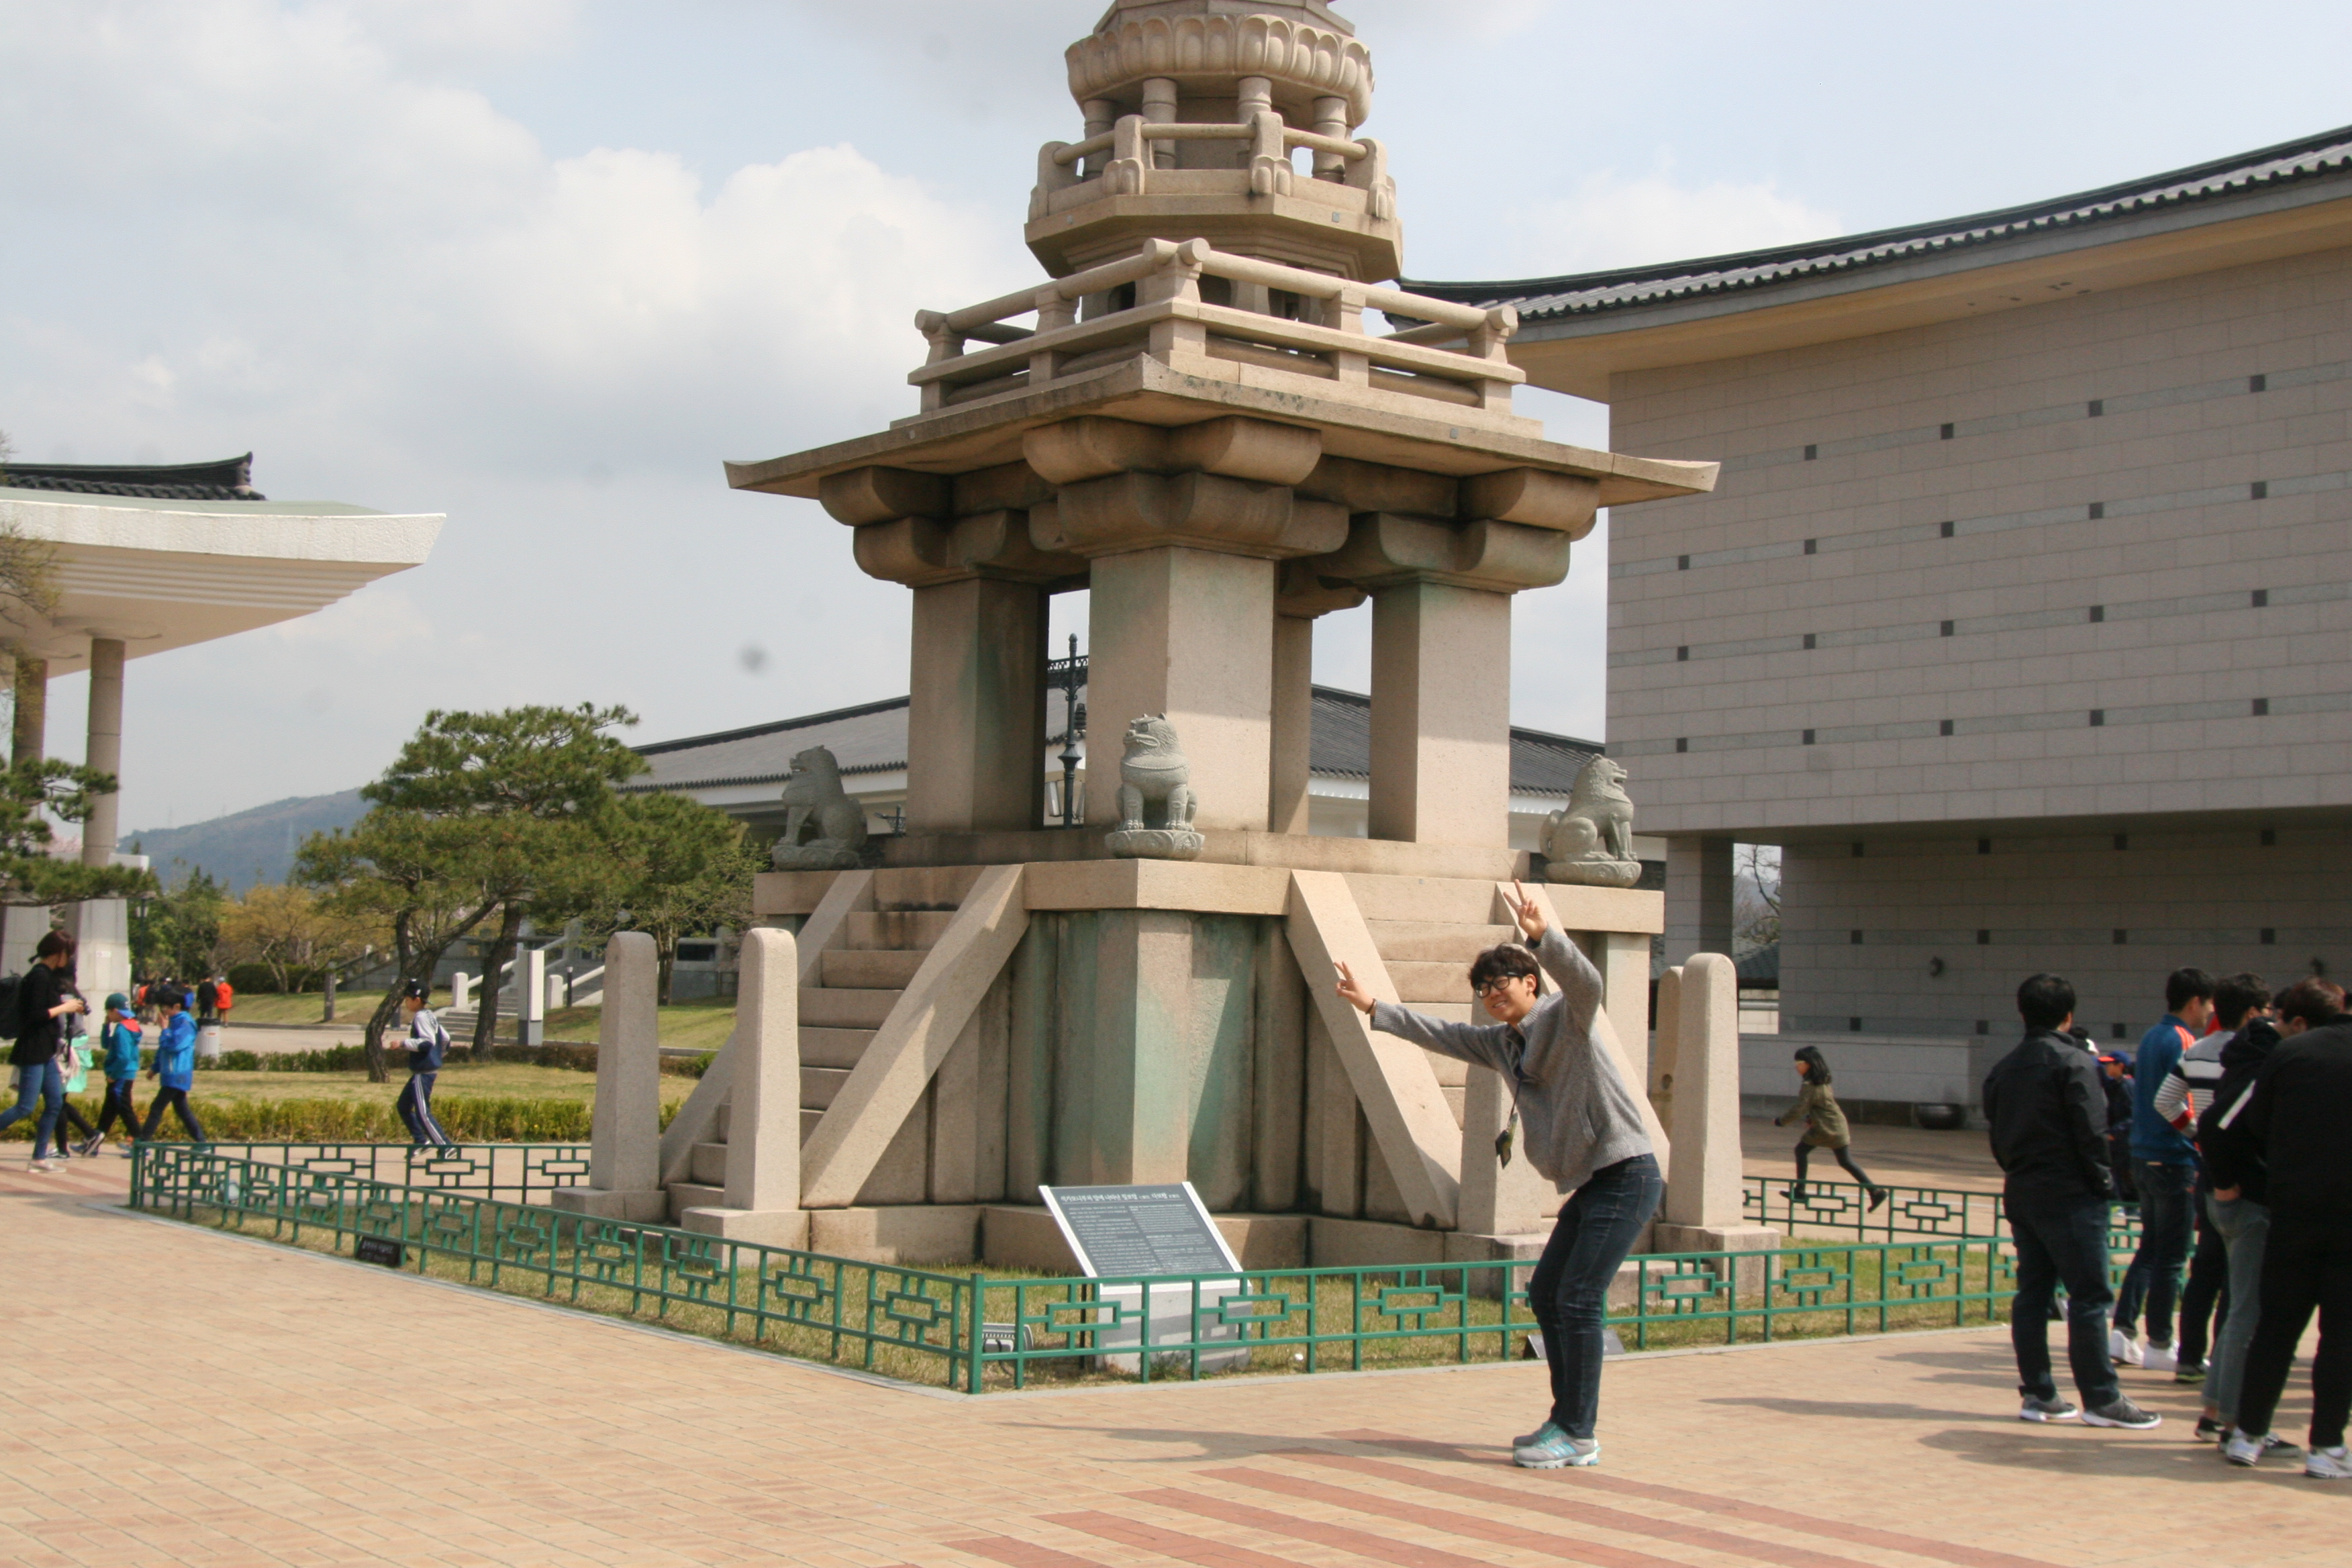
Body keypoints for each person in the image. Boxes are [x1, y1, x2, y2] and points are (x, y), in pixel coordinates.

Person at [1333, 881, 1658, 1469]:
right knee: (1545, 1292)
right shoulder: (1502, 1044)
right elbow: (1443, 1034)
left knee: (1580, 1297)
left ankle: (1578, 1433)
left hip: (1627, 1170)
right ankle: (1564, 1421)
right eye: (1482, 990)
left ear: (1530, 984)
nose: (1490, 996)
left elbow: (1588, 982)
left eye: (1499, 985)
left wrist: (1544, 938)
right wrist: (1374, 1008)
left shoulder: (1567, 1015)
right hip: (1594, 1181)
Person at [1982, 972, 2161, 1428]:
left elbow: (1997, 1138)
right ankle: (2102, 1398)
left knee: (2033, 1293)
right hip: (2071, 1193)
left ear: (2022, 1013)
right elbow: (2092, 1133)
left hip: (2023, 1188)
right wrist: (2104, 1186)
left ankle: (2039, 1393)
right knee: (2089, 1296)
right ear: (2068, 1016)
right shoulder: (2074, 1063)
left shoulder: (2003, 1069)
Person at [2212, 977, 2352, 1480]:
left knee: (2276, 1326)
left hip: (2291, 1210)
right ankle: (2327, 1447)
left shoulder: (2291, 1053)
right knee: (2340, 1338)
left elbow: (2255, 1123)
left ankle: (2247, 1435)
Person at [2158, 975, 2265, 1391]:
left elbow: (2165, 1101)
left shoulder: (2198, 1050)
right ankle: (2225, 1363)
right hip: (2245, 1172)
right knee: (2235, 1278)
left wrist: (2197, 1135)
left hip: (2209, 1168)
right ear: (2255, 1012)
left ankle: (2188, 1356)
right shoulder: (2255, 1057)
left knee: (2205, 1268)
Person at [2198, 977, 2291, 1454]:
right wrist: (2228, 1185)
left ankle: (2215, 1410)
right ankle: (2237, 1420)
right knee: (2245, 1315)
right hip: (2247, 1204)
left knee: (2238, 1308)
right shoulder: (2262, 1069)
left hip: (2236, 1201)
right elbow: (2215, 1128)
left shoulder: (2240, 1059)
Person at [2111, 967, 2216, 1371]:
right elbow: (2180, 1098)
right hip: (2172, 1156)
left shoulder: (2154, 1035)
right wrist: (2197, 1137)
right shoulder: (2184, 1040)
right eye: (2208, 1005)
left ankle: (2123, 1331)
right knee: (2171, 1256)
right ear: (2195, 1003)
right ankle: (2160, 1342)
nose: (2209, 1013)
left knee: (2151, 1248)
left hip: (2143, 1153)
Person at [0, 931, 90, 1173]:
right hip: (33, 1049)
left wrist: (72, 1007)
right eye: (68, 954)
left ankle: (39, 1158)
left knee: (54, 1103)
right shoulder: (38, 977)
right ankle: (39, 1157)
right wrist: (64, 1007)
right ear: (59, 953)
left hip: (47, 1050)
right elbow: (34, 1015)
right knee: (25, 1107)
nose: (69, 960)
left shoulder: (49, 976)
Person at [1775, 1045, 1889, 1210]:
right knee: (1845, 1161)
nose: (1796, 1066)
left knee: (1801, 1151)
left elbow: (1800, 1108)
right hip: (1836, 1126)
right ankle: (1875, 1192)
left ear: (1809, 1064)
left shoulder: (1810, 1085)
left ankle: (1800, 1190)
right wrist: (1810, 1118)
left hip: (1827, 1128)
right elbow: (1818, 1104)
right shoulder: (1823, 1081)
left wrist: (1781, 1121)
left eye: (1799, 1062)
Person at [136, 985, 205, 1142]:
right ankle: (201, 1142)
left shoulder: (186, 1024)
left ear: (177, 1007)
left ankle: (142, 1143)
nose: (163, 1011)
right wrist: (155, 1068)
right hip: (170, 1072)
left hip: (178, 1073)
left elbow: (174, 1045)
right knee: (181, 1109)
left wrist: (165, 1030)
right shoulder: (173, 1022)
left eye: (165, 1008)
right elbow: (163, 1048)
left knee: (157, 1108)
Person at [395, 979, 453, 1148]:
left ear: (417, 999)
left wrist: (403, 1043)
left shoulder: (420, 1018)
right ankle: (421, 1140)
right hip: (425, 1069)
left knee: (423, 1113)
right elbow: (446, 1039)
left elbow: (426, 1043)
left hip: (424, 1072)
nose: (406, 1003)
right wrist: (439, 1055)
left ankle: (445, 1146)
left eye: (407, 999)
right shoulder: (430, 1015)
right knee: (403, 1106)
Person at [84, 993, 143, 1155]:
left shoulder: (123, 1029)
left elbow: (123, 1056)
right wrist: (106, 1026)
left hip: (121, 1076)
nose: (107, 1016)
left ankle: (140, 1144)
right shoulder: (130, 1025)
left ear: (115, 1011)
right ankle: (93, 1143)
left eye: (108, 1012)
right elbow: (106, 1044)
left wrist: (114, 1075)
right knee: (108, 1111)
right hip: (123, 1075)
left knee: (125, 1110)